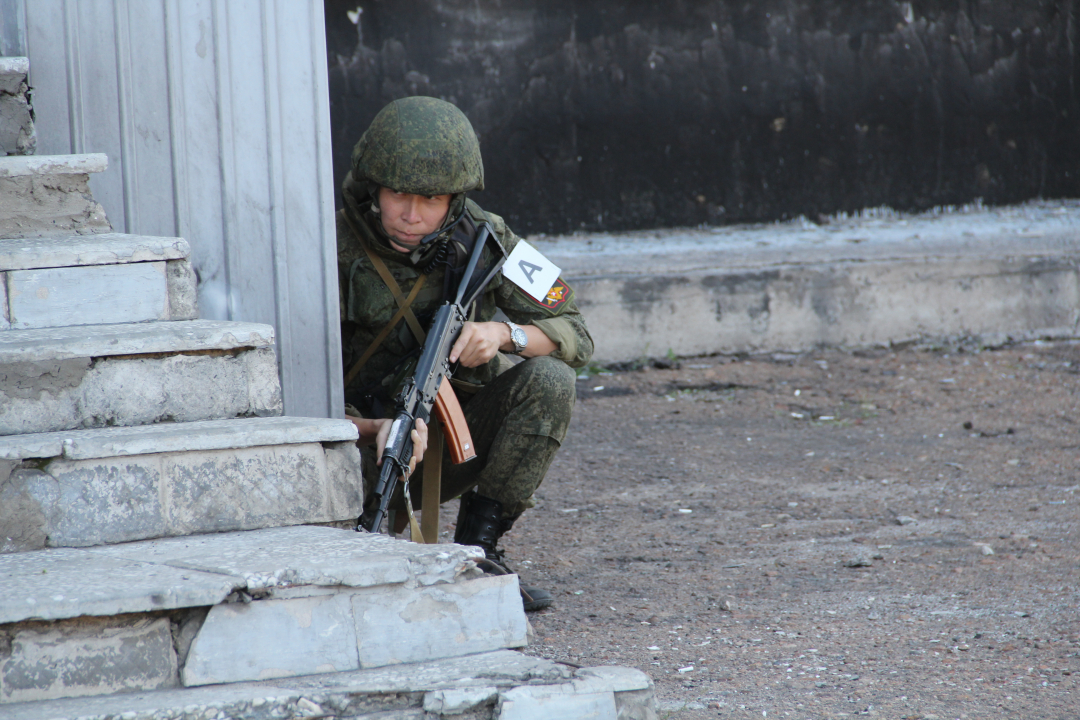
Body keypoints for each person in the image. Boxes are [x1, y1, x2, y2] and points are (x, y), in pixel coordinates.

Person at [337, 96, 594, 611]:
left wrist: (504, 336)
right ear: (373, 188)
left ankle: (481, 550)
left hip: (451, 444)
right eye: (399, 195)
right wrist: (371, 429)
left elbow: (574, 332)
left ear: (454, 199)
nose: (413, 215)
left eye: (431, 200)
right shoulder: (328, 245)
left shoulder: (487, 237)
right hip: (354, 447)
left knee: (550, 381)